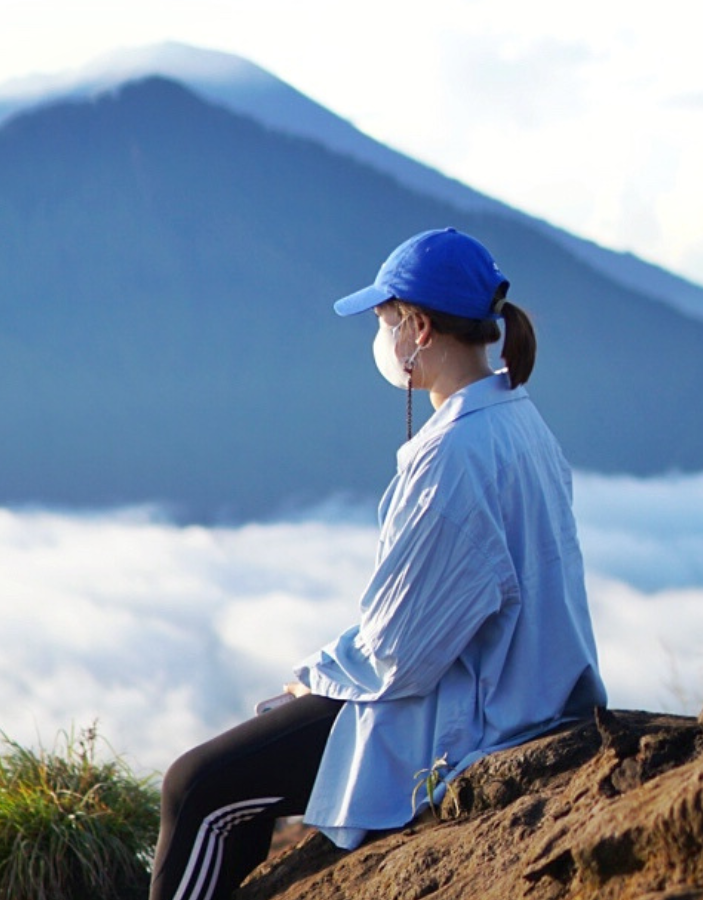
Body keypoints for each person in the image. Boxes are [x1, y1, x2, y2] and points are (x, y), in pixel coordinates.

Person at [149, 227, 607, 900]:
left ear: (419, 327)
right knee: (241, 767)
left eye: (385, 320)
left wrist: (314, 679)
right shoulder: (517, 419)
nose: (382, 338)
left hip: (475, 718)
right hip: (529, 690)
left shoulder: (455, 457)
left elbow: (399, 652)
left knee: (196, 789)